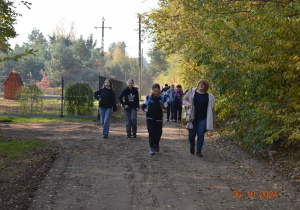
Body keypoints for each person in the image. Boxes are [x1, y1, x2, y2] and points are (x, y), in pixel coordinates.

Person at [183, 79, 216, 157]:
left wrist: (214, 120)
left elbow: (212, 109)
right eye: (200, 83)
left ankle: (198, 150)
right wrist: (188, 104)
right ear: (197, 85)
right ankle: (192, 145)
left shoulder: (209, 96)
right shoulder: (192, 91)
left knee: (200, 134)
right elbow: (184, 100)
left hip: (203, 118)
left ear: (206, 87)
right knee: (191, 135)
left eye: (203, 84)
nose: (201, 85)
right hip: (192, 118)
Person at [142, 83, 167, 155]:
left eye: (157, 91)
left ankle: (156, 143)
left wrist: (164, 110)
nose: (156, 93)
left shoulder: (162, 98)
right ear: (152, 90)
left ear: (159, 91)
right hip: (150, 117)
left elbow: (166, 109)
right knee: (151, 132)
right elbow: (143, 106)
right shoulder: (148, 97)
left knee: (159, 133)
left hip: (159, 117)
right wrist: (145, 110)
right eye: (154, 91)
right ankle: (152, 147)